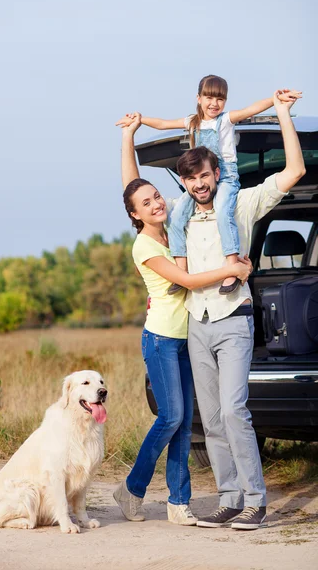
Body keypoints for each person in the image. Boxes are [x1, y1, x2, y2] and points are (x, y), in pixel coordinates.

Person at [119, 92, 306, 530]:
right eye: (192, 180)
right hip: (195, 326)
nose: (199, 185)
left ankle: (255, 502)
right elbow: (134, 195)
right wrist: (129, 135)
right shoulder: (178, 217)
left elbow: (294, 171)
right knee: (213, 417)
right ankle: (228, 497)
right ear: (184, 183)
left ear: (216, 173)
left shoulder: (238, 204)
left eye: (205, 176)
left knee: (235, 411)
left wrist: (280, 113)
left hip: (233, 321)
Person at [113, 116, 252, 526]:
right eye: (146, 204)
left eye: (157, 196)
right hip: (160, 339)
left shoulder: (174, 222)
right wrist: (236, 272)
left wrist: (130, 137)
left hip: (190, 332)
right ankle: (133, 488)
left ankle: (179, 501)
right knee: (171, 417)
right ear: (134, 215)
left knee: (184, 421)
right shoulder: (143, 244)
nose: (155, 203)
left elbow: (133, 187)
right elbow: (188, 279)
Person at [117, 76, 301, 295]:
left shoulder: (225, 123)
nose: (214, 103)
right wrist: (137, 124)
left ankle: (230, 267)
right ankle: (180, 267)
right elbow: (135, 192)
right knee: (176, 220)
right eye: (209, 97)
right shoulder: (192, 123)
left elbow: (250, 110)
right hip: (194, 317)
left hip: (229, 177)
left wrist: (276, 102)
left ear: (214, 173)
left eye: (220, 99)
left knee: (224, 212)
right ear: (199, 98)